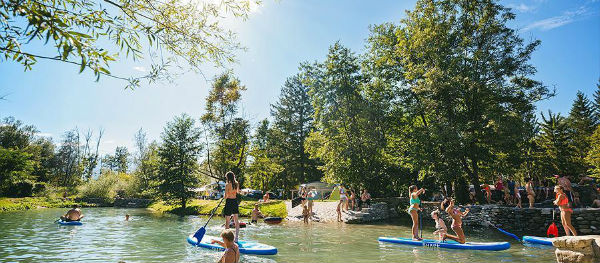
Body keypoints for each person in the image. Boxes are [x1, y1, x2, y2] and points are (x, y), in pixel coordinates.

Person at [224, 171, 240, 242]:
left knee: (227, 221)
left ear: (228, 177)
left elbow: (226, 196)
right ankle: (236, 238)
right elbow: (237, 192)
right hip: (235, 201)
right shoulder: (236, 184)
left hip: (229, 202)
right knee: (236, 220)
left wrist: (223, 196)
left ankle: (227, 238)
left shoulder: (227, 185)